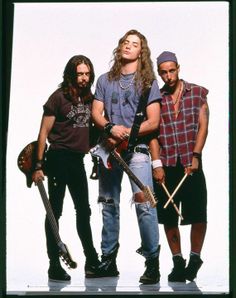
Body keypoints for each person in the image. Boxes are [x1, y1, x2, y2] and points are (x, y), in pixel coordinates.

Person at [91, 29, 162, 284]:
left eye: (134, 44)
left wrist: (127, 132)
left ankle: (152, 262)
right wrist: (110, 128)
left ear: (141, 52)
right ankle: (108, 260)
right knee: (108, 206)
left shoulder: (147, 82)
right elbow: (96, 112)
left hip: (138, 153)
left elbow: (154, 122)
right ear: (120, 46)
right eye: (125, 42)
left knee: (145, 205)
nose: (128, 46)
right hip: (109, 150)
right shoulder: (104, 80)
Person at [32, 55, 102, 282]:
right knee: (55, 212)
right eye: (80, 74)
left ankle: (92, 261)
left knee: (84, 211)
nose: (83, 78)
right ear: (71, 74)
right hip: (58, 159)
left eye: (87, 74)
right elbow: (43, 133)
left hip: (76, 161)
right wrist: (38, 165)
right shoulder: (58, 98)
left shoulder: (90, 99)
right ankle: (54, 265)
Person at [149, 51, 209, 282]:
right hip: (167, 163)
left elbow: (203, 126)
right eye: (163, 72)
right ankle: (177, 261)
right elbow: (152, 134)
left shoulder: (197, 93)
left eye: (171, 70)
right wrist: (157, 165)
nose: (168, 76)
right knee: (168, 214)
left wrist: (196, 155)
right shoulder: (156, 98)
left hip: (190, 161)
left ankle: (195, 258)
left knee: (197, 213)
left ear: (178, 68)